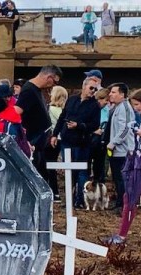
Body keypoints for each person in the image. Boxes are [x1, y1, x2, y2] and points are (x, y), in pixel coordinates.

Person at [105, 88, 141, 244]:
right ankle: (122, 234)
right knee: (130, 197)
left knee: (130, 197)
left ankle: (121, 235)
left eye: (137, 104)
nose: (135, 108)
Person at [50, 77, 101, 209]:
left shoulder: (95, 105)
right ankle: (69, 199)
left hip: (82, 142)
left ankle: (80, 200)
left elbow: (95, 125)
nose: (93, 91)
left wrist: (79, 126)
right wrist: (55, 134)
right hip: (67, 140)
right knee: (69, 171)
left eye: (95, 89)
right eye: (91, 88)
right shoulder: (72, 99)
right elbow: (62, 117)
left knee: (81, 171)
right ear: (84, 86)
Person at [14, 65, 63, 174]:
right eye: (55, 82)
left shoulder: (37, 90)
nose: (54, 86)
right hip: (32, 144)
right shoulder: (29, 91)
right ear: (49, 77)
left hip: (39, 144)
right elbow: (16, 112)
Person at [106, 82, 135, 211]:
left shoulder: (125, 107)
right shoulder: (116, 108)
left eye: (113, 92)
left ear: (122, 94)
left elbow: (125, 129)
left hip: (124, 151)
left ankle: (125, 205)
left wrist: (114, 142)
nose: (110, 94)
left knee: (123, 178)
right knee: (117, 178)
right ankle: (119, 202)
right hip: (116, 151)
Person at [45, 85, 68, 200]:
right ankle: (55, 192)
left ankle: (53, 191)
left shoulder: (51, 109)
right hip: (60, 140)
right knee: (52, 165)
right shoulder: (64, 111)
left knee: (48, 166)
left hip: (51, 139)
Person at [89, 87, 110, 184]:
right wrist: (93, 130)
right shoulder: (91, 108)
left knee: (100, 167)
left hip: (102, 142)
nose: (107, 103)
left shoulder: (107, 110)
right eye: (106, 100)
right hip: (90, 141)